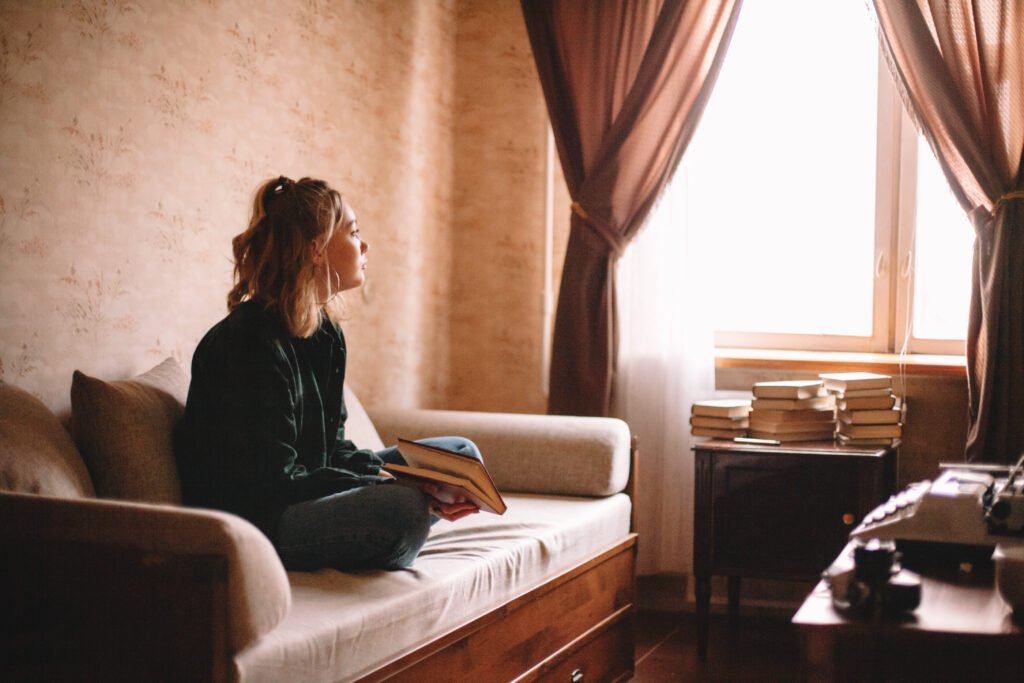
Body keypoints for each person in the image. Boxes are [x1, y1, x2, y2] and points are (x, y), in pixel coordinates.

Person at [174, 175, 480, 571]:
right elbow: (274, 482)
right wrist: (389, 482)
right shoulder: (247, 343)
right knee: (403, 508)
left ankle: (411, 509)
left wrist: (399, 474)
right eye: (353, 233)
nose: (364, 245)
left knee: (459, 456)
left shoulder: (326, 334)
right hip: (263, 520)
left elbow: (331, 449)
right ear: (316, 249)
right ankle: (404, 520)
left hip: (305, 490)